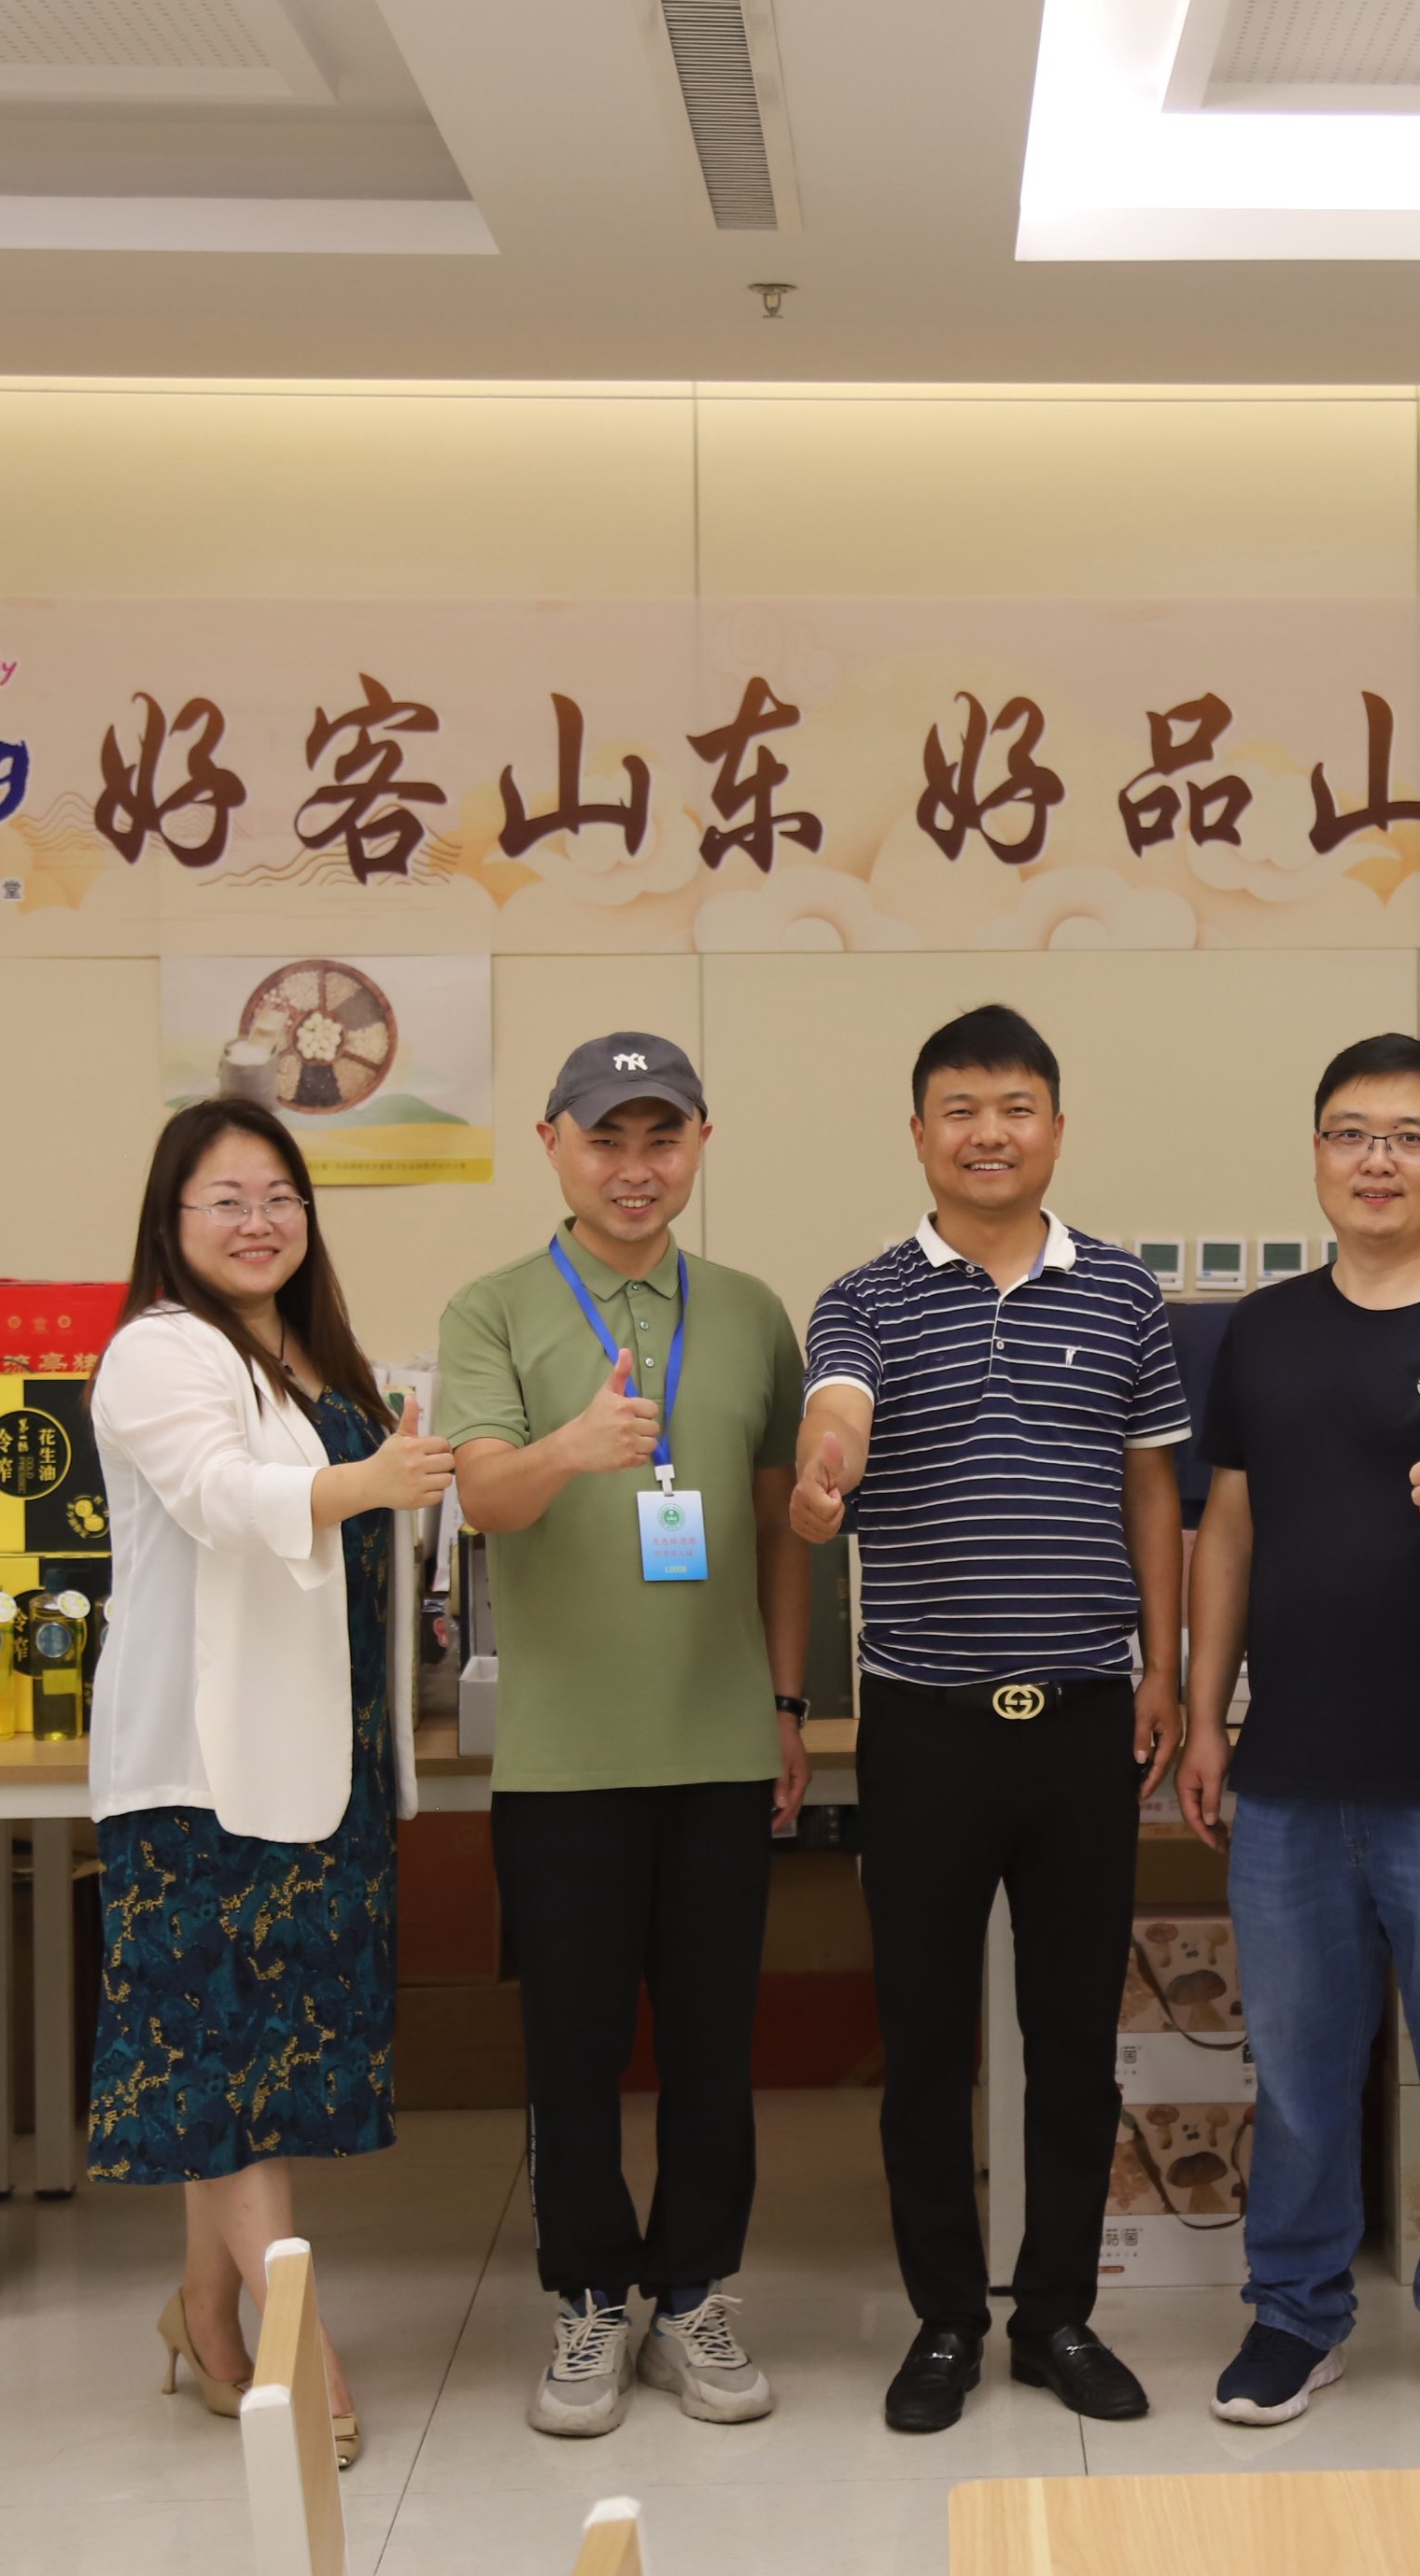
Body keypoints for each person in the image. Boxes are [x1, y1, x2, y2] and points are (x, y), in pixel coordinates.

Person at [790, 1006, 1189, 2433]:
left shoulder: (1123, 1294)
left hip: (1085, 1720)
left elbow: (1152, 1486)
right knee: (925, 2047)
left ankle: (1059, 2316)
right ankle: (947, 2323)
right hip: (927, 1727)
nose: (988, 1133)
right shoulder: (864, 1297)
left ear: (1056, 1130)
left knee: (1074, 2044)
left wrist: (1164, 1667)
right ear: (919, 1134)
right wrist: (825, 1471)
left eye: (1015, 1107)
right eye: (960, 1108)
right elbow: (839, 1408)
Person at [1177, 1034, 1420, 2439]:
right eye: (1351, 1132)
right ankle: (1295, 2314)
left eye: (1408, 1136)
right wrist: (1206, 1710)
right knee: (1297, 2075)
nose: (1378, 1160)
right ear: (1317, 1154)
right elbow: (1228, 1523)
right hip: (1289, 1774)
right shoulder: (1260, 1330)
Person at [440, 1035, 811, 2439]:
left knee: (716, 2048)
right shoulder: (492, 1309)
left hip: (719, 1745)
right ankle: (590, 2298)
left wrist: (785, 1703)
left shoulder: (752, 1312)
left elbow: (779, 1529)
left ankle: (695, 2293)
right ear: (553, 1144)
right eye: (606, 1138)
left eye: (662, 1138)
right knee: (573, 2049)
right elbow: (484, 1498)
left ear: (701, 1143)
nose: (635, 1167)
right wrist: (568, 1448)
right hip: (565, 1758)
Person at [86, 1100, 456, 2471]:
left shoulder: (315, 1353)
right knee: (224, 2063)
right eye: (225, 1199)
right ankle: (303, 2357)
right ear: (171, 1222)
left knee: (235, 2071)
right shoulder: (158, 1349)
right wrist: (368, 1481)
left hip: (320, 1755)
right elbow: (221, 1495)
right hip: (200, 1768)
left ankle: (201, 2313)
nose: (259, 1221)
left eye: (280, 1195)